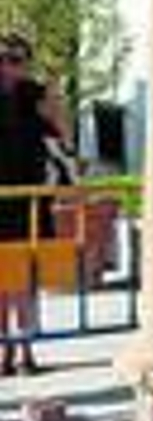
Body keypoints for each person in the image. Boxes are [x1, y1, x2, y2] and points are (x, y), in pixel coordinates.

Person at [0, 33, 70, 376]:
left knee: (25, 279)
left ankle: (25, 350)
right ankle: (3, 353)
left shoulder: (34, 97)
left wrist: (52, 94)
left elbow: (62, 135)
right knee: (0, 281)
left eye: (16, 60)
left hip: (28, 199)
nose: (8, 67)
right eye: (2, 59)